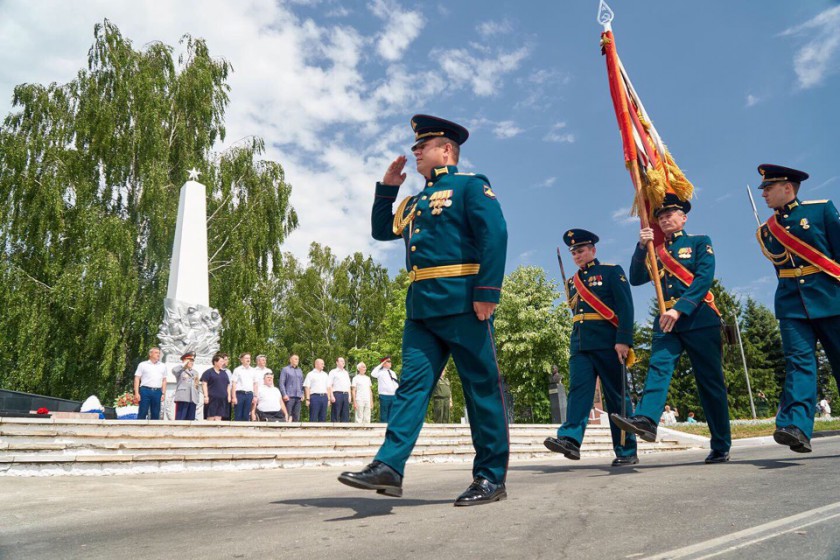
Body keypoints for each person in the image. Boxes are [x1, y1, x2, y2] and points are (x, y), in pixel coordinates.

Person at [339, 114, 510, 506]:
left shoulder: (470, 186)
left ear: (446, 149)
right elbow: (383, 230)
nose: (415, 151)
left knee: (481, 389)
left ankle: (490, 476)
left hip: (465, 302)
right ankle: (389, 466)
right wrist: (387, 189)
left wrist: (487, 291)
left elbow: (495, 234)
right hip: (421, 308)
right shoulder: (415, 201)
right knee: (411, 388)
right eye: (416, 146)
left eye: (423, 145)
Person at [611, 193, 732, 464]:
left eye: (670, 215)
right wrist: (642, 247)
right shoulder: (656, 250)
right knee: (658, 367)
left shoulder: (700, 242)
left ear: (683, 218)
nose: (664, 219)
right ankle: (646, 419)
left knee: (709, 382)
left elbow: (703, 278)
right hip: (666, 318)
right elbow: (637, 278)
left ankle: (721, 443)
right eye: (661, 216)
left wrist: (681, 308)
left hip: (697, 316)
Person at [755, 164, 840, 452]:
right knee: (799, 366)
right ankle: (797, 428)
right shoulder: (767, 230)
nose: (764, 194)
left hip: (831, 299)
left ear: (787, 188)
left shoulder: (821, 210)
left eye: (769, 188)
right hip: (791, 305)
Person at [543, 229, 638, 467]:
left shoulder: (610, 271)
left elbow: (626, 307)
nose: (577, 255)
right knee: (578, 392)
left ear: (593, 250)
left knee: (617, 397)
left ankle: (626, 450)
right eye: (574, 252)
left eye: (581, 250)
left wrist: (624, 339)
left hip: (609, 342)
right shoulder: (572, 282)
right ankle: (571, 440)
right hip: (581, 344)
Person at [133, 347, 168, 421]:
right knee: (143, 411)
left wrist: (163, 393)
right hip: (145, 390)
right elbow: (137, 378)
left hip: (157, 391)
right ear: (150, 354)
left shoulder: (163, 366)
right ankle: (139, 430)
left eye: (159, 353)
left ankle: (154, 431)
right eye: (156, 353)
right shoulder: (143, 365)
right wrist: (136, 393)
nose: (158, 354)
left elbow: (164, 380)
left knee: (156, 412)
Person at [201, 353, 231, 421]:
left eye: (223, 361)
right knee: (211, 417)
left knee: (218, 418)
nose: (223, 363)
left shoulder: (224, 373)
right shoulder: (208, 372)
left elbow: (228, 385)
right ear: (215, 362)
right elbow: (204, 384)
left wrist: (228, 396)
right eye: (221, 361)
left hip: (222, 399)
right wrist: (206, 396)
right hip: (212, 399)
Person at [172, 352, 201, 421]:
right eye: (189, 360)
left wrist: (197, 398)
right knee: (180, 419)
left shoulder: (195, 372)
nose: (191, 362)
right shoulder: (180, 371)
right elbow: (174, 370)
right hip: (183, 397)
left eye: (192, 361)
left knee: (191, 420)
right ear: (184, 361)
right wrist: (183, 365)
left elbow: (196, 386)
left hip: (192, 398)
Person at [231, 353, 258, 422]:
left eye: (249, 358)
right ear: (241, 360)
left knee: (246, 414)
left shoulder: (253, 370)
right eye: (246, 358)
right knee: (238, 414)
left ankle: (245, 431)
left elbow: (255, 384)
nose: (248, 359)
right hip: (239, 394)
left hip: (249, 394)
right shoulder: (237, 370)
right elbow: (234, 383)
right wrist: (234, 397)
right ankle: (237, 431)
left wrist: (255, 396)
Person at [371, 357, 399, 422]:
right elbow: (372, 374)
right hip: (384, 396)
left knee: (392, 415)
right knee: (384, 414)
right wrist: (381, 364)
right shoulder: (380, 372)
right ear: (384, 363)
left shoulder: (393, 372)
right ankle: (383, 429)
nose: (390, 363)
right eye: (388, 361)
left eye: (390, 361)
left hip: (393, 396)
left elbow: (395, 384)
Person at [279, 354, 304, 422]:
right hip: (289, 396)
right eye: (295, 359)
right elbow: (281, 383)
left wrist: (302, 394)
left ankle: (295, 431)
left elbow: (302, 383)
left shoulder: (300, 370)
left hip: (298, 397)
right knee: (287, 415)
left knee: (296, 416)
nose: (297, 360)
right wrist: (284, 394)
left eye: (298, 359)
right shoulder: (285, 369)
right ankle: (285, 431)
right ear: (290, 360)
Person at [328, 357, 352, 423]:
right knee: (336, 412)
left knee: (345, 413)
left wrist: (349, 396)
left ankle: (345, 428)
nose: (343, 362)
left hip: (345, 394)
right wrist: (331, 396)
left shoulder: (346, 373)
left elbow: (348, 385)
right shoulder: (333, 372)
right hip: (337, 394)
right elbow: (329, 385)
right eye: (341, 361)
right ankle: (334, 428)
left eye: (343, 361)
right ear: (337, 362)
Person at [252, 354, 272, 421]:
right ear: (258, 361)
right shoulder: (253, 370)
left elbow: (271, 382)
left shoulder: (269, 371)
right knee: (254, 408)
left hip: (267, 392)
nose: (264, 361)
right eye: (263, 360)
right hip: (256, 392)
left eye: (265, 360)